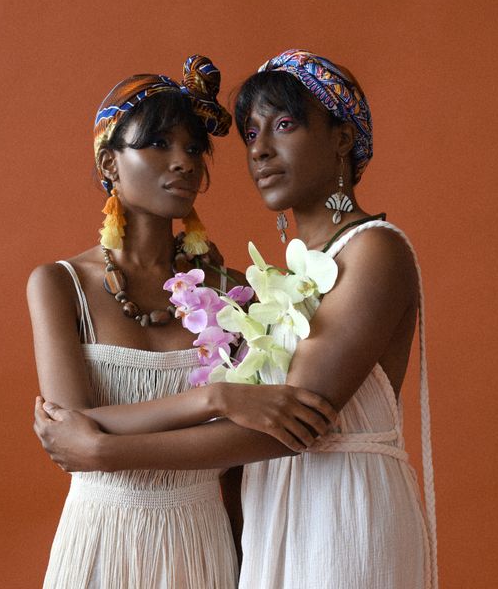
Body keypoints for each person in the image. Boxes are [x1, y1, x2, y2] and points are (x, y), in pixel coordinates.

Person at [34, 49, 438, 589]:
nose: (260, 150)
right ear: (109, 162)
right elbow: (250, 427)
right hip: (268, 515)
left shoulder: (371, 252)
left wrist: (103, 449)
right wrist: (220, 405)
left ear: (342, 137)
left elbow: (292, 422)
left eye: (285, 125)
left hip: (342, 511)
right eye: (250, 134)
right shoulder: (286, 276)